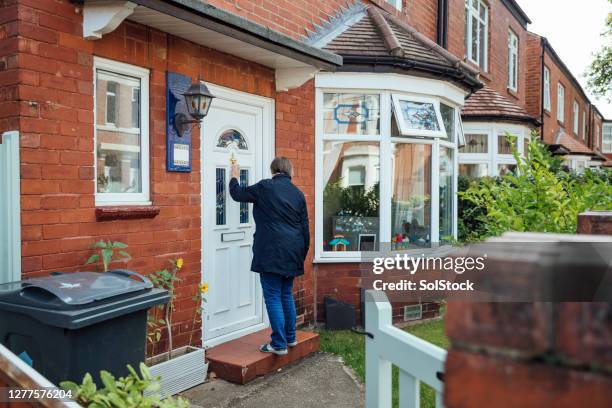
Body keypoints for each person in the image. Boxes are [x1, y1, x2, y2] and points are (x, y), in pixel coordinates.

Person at [229, 156, 309, 355]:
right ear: (290, 171)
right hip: (293, 252)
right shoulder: (299, 194)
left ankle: (278, 344)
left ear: (273, 170)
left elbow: (237, 194)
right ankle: (290, 338)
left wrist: (234, 176)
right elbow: (305, 230)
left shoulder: (265, 187)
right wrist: (301, 255)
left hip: (271, 252)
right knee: (285, 295)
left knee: (273, 296)